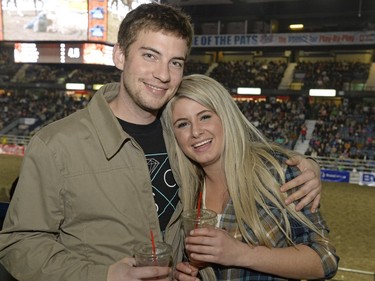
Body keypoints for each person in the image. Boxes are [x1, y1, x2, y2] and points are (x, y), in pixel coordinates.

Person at [0, 3, 322, 281]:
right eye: (150, 55)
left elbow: (240, 150)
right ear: (120, 55)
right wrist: (106, 275)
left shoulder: (183, 135)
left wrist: (305, 166)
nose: (163, 74)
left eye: (175, 62)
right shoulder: (56, 144)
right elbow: (19, 245)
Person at [160, 74, 339, 280]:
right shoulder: (184, 191)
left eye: (205, 116)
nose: (196, 132)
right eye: (183, 124)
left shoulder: (276, 172)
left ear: (225, 116)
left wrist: (240, 254)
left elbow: (325, 259)